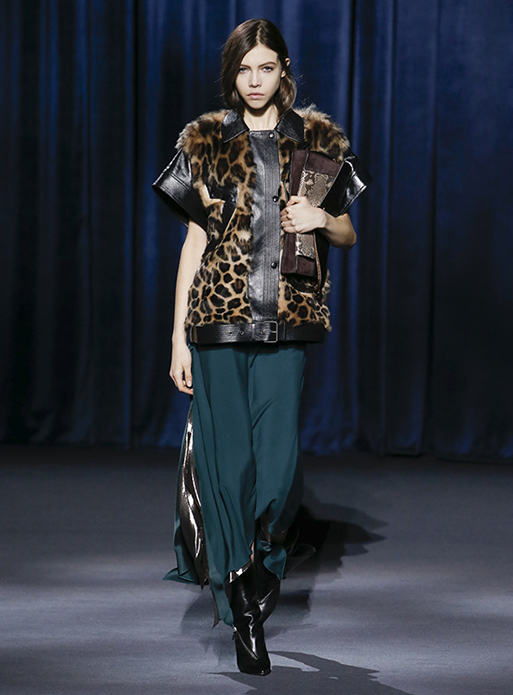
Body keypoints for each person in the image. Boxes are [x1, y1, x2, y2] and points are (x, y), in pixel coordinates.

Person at [153, 18, 366, 676]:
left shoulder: (317, 139)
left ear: (283, 70)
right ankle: (242, 601)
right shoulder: (204, 140)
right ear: (233, 74)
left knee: (275, 471)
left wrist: (321, 218)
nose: (254, 80)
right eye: (244, 69)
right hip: (216, 323)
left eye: (266, 68)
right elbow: (194, 243)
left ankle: (262, 570)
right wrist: (177, 336)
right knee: (228, 468)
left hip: (286, 324)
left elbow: (347, 233)